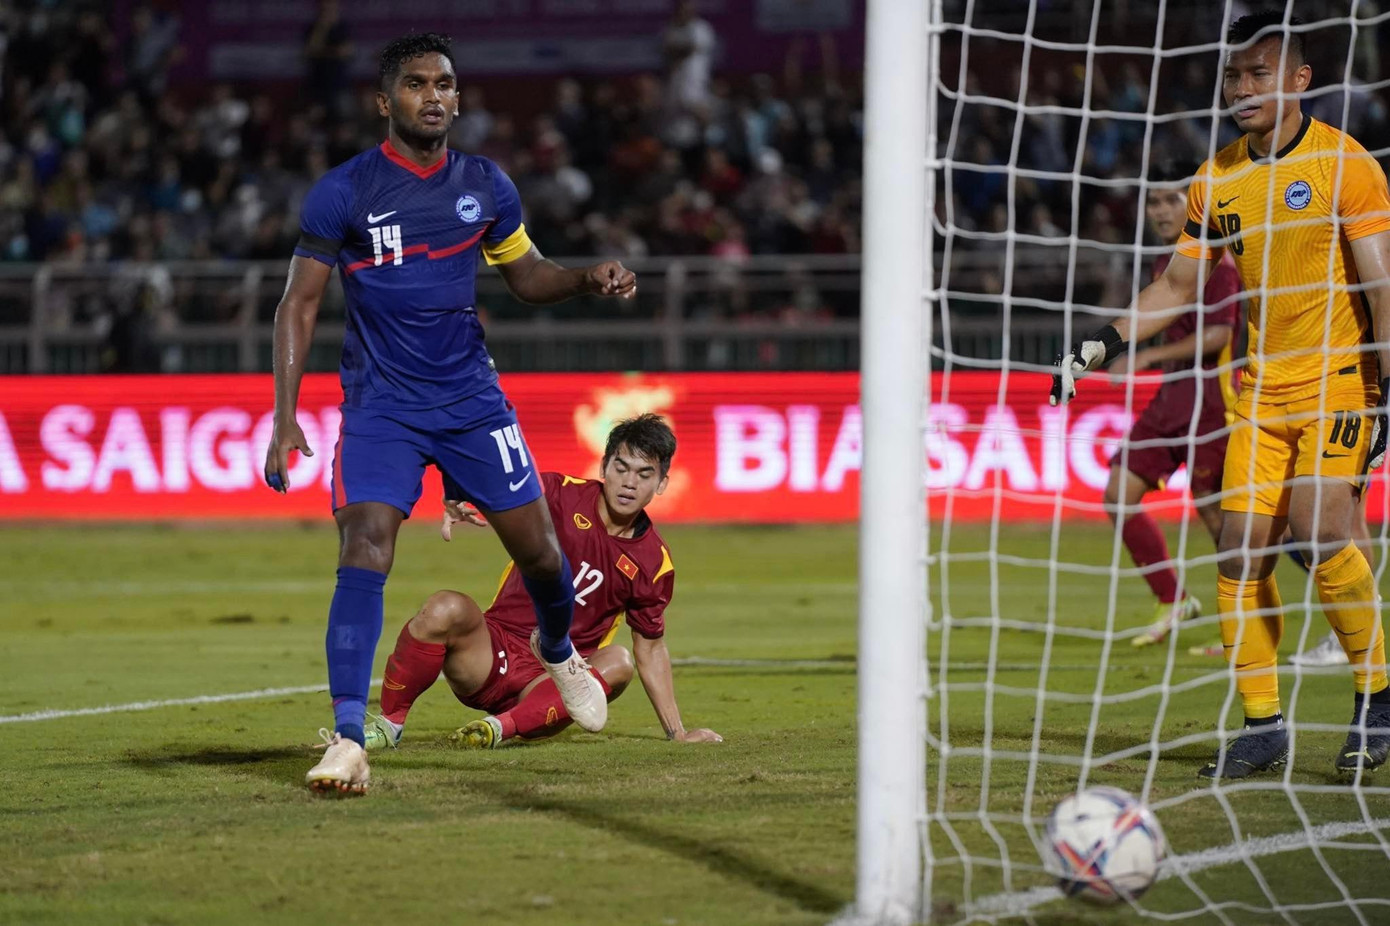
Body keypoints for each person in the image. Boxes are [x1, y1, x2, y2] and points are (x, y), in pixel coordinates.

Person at [262, 33, 637, 794]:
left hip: (471, 404)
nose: (435, 95)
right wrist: (284, 415)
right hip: (381, 408)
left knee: (540, 557)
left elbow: (527, 278)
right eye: (417, 84)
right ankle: (346, 735)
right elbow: (299, 303)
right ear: (384, 101)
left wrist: (584, 279)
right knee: (364, 546)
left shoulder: (486, 185)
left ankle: (560, 651)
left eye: (446, 83)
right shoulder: (344, 192)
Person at [1050, 11, 1390, 780]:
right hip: (1257, 391)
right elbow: (1177, 284)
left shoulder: (1348, 165)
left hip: (1340, 376)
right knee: (1239, 550)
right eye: (1234, 75)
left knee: (1319, 524)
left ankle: (1377, 699)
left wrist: (1388, 380)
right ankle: (1263, 724)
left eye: (1259, 73)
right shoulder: (1217, 178)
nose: (1241, 87)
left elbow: (1381, 279)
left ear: (1299, 80)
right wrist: (1102, 339)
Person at [364, 414, 722, 750]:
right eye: (621, 467)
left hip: (558, 680)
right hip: (491, 655)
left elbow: (651, 648)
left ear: (661, 484)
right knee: (444, 606)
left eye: (645, 474)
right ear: (604, 467)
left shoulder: (653, 563)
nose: (629, 483)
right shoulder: (558, 493)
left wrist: (677, 733)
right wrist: (459, 494)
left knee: (620, 661)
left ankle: (497, 729)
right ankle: (388, 724)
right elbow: (498, 483)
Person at [1104, 159, 1242, 649]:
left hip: (1214, 400)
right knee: (1118, 494)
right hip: (1172, 399)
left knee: (1220, 518)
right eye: (1153, 200)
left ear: (1194, 201)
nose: (1161, 210)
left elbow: (1221, 334)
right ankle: (1172, 597)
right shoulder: (1167, 263)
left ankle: (1244, 632)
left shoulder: (1218, 259)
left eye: (1171, 199)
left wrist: (1149, 356)